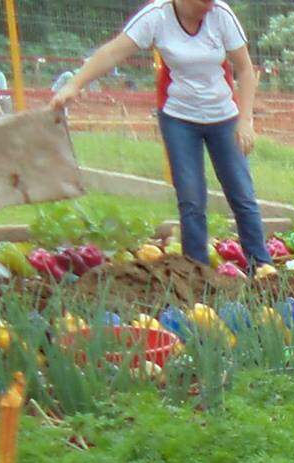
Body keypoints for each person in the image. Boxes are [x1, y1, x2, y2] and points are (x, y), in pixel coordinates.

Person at [51, 0, 264, 266]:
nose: (208, 8)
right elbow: (113, 53)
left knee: (242, 194)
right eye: (202, 2)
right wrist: (74, 84)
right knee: (191, 200)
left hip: (223, 116)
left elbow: (244, 69)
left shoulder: (220, 14)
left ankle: (262, 267)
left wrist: (246, 121)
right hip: (179, 119)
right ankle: (196, 274)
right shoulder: (157, 16)